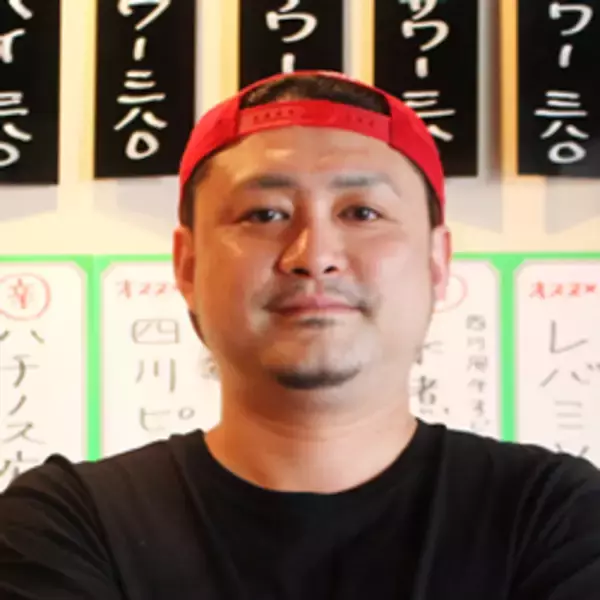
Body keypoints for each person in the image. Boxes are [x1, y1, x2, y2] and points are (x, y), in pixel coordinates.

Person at [1, 71, 599, 599]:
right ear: (187, 265)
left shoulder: (554, 516)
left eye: (361, 212)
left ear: (437, 263)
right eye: (264, 214)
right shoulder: (68, 524)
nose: (314, 255)